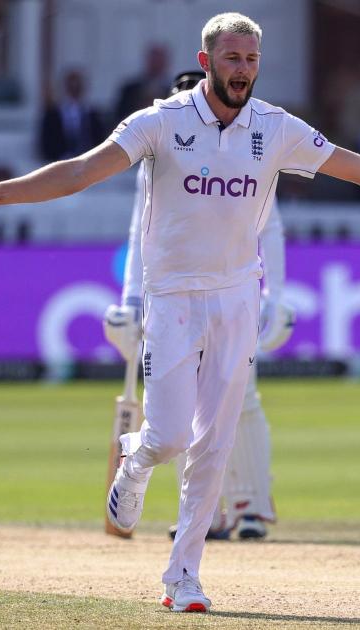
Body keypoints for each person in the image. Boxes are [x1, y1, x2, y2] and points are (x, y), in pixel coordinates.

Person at [0, 12, 360, 614]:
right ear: (206, 62)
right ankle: (136, 457)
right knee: (169, 436)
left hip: (236, 296)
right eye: (232, 59)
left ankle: (183, 577)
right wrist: (2, 193)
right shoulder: (161, 122)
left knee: (214, 443)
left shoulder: (275, 128)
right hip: (171, 296)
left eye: (250, 60)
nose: (242, 70)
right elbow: (84, 171)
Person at [102, 70, 289, 543]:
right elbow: (140, 234)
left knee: (238, 403)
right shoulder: (160, 146)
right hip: (175, 296)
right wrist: (130, 302)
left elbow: (270, 229)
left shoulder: (251, 144)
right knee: (181, 416)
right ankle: (209, 512)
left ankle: (250, 504)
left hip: (233, 293)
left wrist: (276, 297)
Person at [40, 69, 107, 162]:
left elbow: (99, 140)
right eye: (71, 88)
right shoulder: (52, 115)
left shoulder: (92, 114)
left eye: (77, 88)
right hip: (60, 162)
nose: (74, 91)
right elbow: (46, 142)